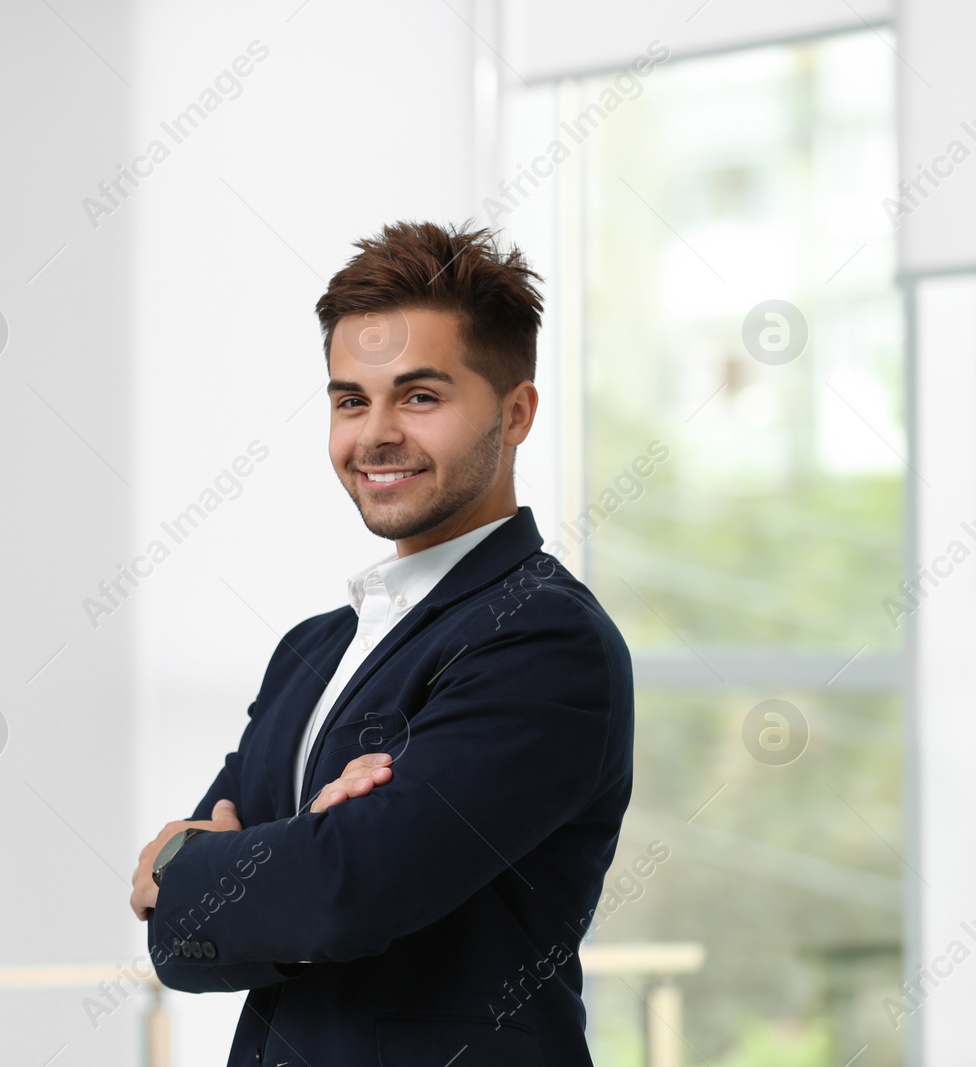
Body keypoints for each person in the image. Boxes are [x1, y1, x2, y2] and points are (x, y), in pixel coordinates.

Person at [129, 221, 634, 1066]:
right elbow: (176, 939)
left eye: (421, 396)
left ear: (516, 413)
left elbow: (345, 892)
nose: (376, 433)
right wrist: (281, 857)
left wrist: (212, 862)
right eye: (350, 399)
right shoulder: (312, 650)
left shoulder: (545, 637)